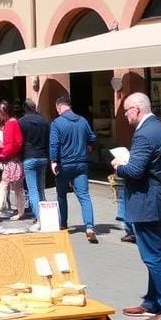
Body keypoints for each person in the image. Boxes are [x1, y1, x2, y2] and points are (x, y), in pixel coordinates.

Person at [111, 92, 161, 320]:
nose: (125, 115)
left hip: (147, 202)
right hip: (156, 199)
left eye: (126, 111)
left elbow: (135, 171)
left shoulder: (144, 134)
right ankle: (153, 302)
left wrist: (119, 166)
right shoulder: (160, 128)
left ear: (138, 109)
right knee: (156, 253)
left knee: (152, 257)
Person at [49, 95, 98, 243]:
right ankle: (89, 227)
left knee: (61, 195)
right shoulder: (83, 121)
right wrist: (88, 148)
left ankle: (63, 224)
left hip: (64, 164)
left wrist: (53, 161)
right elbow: (92, 138)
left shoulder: (57, 123)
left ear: (59, 107)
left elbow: (54, 144)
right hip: (81, 163)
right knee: (84, 195)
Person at [0, 100, 25, 222]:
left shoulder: (10, 124)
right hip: (14, 160)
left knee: (4, 186)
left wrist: (1, 149)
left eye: (0, 112)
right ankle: (19, 211)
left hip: (10, 160)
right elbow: (16, 143)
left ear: (3, 112)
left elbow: (12, 144)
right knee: (16, 187)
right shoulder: (12, 123)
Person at [18, 98, 50, 221]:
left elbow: (19, 142)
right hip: (42, 157)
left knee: (33, 190)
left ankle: (40, 218)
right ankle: (47, 217)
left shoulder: (21, 122)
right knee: (41, 190)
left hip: (29, 157)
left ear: (25, 108)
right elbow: (48, 140)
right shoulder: (44, 121)